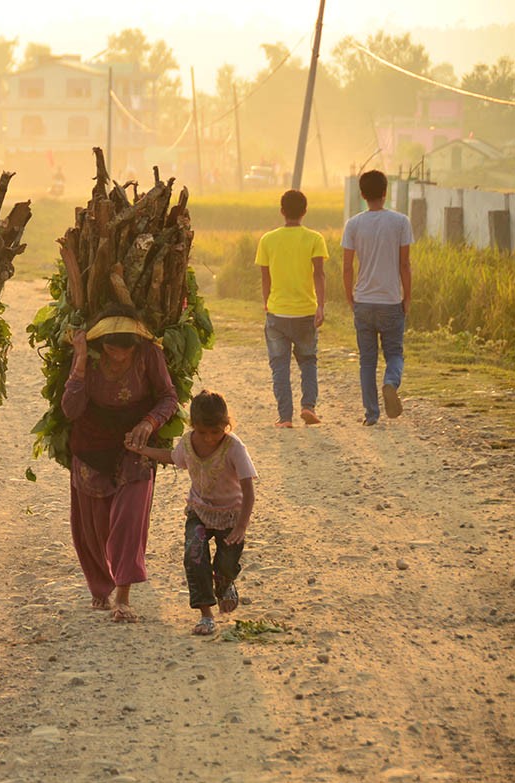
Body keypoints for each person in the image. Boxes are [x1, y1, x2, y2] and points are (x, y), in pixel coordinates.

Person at [63, 305, 179, 623]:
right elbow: (71, 409)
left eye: (126, 350)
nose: (119, 356)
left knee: (129, 518)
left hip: (136, 444)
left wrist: (149, 423)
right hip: (91, 444)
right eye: (112, 349)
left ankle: (123, 596)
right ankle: (102, 587)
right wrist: (82, 360)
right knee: (95, 524)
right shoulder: (89, 357)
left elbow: (169, 396)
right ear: (103, 345)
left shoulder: (149, 355)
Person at [127, 390, 257, 636]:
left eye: (216, 432)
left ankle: (226, 583)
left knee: (226, 563)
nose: (209, 439)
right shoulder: (188, 442)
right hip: (199, 510)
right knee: (194, 555)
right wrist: (142, 451)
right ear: (193, 426)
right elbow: (173, 458)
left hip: (230, 515)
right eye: (203, 432)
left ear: (226, 425)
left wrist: (241, 526)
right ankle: (206, 615)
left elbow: (248, 490)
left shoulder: (234, 447)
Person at [342, 170, 413, 425]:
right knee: (394, 353)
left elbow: (347, 266)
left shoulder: (353, 224)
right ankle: (391, 383)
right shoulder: (401, 222)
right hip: (391, 301)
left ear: (362, 194)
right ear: (386, 193)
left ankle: (371, 414)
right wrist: (407, 297)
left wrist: (350, 296)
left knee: (367, 361)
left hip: (363, 301)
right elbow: (404, 265)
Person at [255, 189, 329, 428]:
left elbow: (265, 278)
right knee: (308, 361)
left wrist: (267, 302)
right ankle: (308, 406)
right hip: (306, 312)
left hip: (277, 312)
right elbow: (319, 274)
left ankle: (285, 418)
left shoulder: (267, 240)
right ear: (305, 211)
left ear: (282, 211)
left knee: (280, 366)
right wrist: (321, 305)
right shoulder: (315, 239)